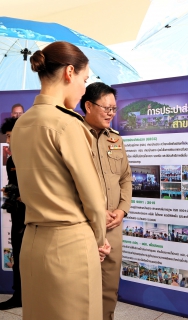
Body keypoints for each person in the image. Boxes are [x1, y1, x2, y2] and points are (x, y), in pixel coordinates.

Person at [11, 41, 110, 320]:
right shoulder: (68, 124)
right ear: (69, 72)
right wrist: (100, 240)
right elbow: (93, 197)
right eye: (84, 79)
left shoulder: (21, 124)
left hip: (32, 243)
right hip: (71, 245)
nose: (83, 88)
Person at [81, 82, 132, 320]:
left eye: (114, 109)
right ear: (88, 105)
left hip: (113, 224)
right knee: (83, 285)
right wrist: (97, 213)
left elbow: (125, 178)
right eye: (106, 108)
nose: (111, 114)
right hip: (84, 224)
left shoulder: (116, 140)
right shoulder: (74, 136)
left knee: (110, 285)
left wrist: (122, 211)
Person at [0, 117, 25, 310]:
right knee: (17, 254)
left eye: (10, 136)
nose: (8, 140)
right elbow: (13, 185)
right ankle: (19, 295)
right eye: (7, 136)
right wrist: (10, 192)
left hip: (36, 218)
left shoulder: (34, 156)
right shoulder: (11, 159)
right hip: (17, 216)